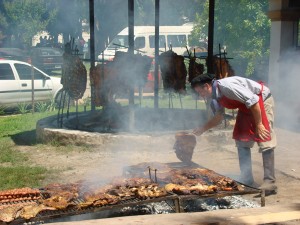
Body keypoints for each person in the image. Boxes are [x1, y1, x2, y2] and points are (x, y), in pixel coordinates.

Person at [191, 73, 277, 196]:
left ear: (206, 86)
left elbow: (253, 101)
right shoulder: (214, 96)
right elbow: (218, 117)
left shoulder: (227, 87)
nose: (201, 95)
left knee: (264, 137)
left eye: (200, 92)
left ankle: (270, 182)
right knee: (241, 139)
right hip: (246, 107)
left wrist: (259, 124)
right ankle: (247, 179)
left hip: (261, 101)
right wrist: (203, 129)